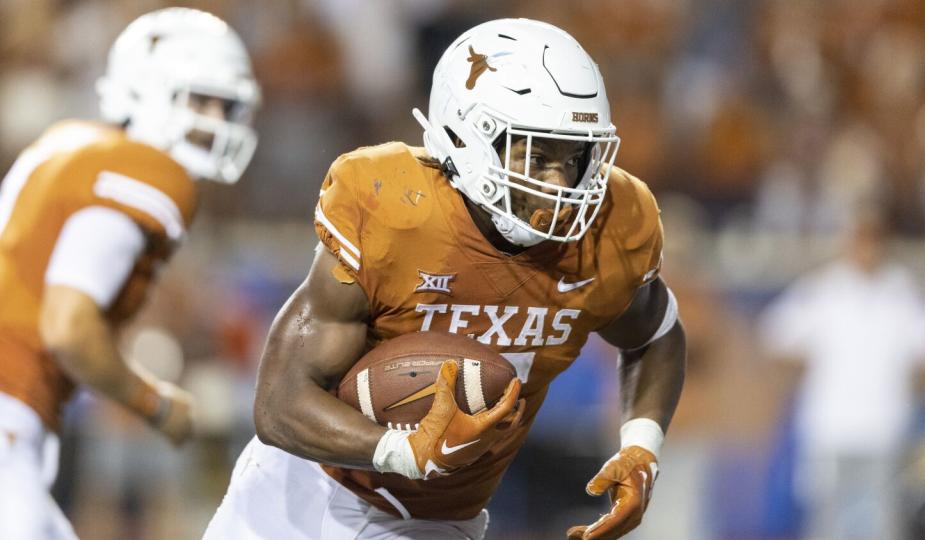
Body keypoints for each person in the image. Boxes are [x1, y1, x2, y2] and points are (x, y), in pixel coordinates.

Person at [206, 18, 685, 540]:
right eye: (536, 155)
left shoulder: (608, 230)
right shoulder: (397, 212)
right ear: (466, 134)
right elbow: (278, 403)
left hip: (439, 521)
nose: (560, 183)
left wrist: (641, 446)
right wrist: (401, 450)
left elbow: (656, 333)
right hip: (308, 492)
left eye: (575, 158)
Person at [0, 8, 260, 539]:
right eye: (200, 100)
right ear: (146, 93)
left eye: (226, 105)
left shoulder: (68, 143)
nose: (216, 120)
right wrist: (155, 404)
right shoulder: (143, 175)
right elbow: (68, 327)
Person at [759, 206, 925, 540]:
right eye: (859, 241)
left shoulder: (902, 291)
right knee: (828, 519)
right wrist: (804, 370)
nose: (866, 249)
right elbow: (775, 334)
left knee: (881, 520)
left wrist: (910, 387)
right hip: (831, 425)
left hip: (882, 426)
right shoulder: (824, 288)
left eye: (873, 241)